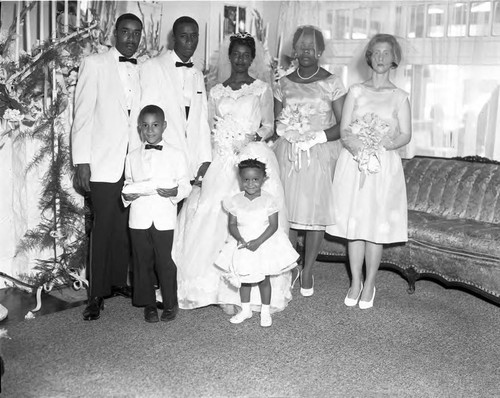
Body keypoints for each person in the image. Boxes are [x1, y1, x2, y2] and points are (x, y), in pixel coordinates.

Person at [173, 33, 292, 313]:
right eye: (236, 54)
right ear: (229, 56)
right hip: (222, 157)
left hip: (250, 156)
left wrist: (248, 138)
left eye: (245, 55)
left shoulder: (261, 89)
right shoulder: (215, 91)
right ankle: (216, 287)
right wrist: (222, 143)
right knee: (213, 216)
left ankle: (247, 288)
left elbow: (268, 125)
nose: (240, 59)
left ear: (252, 59)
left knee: (252, 217)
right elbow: (209, 127)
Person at [326, 34, 412, 309]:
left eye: (387, 53)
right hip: (354, 163)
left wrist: (381, 144)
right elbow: (345, 129)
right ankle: (355, 281)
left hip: (383, 166)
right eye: (376, 53)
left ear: (394, 59)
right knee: (355, 227)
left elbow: (406, 134)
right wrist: (359, 149)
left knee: (374, 226)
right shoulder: (356, 91)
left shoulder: (400, 97)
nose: (381, 58)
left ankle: (370, 283)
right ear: (369, 57)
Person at [71, 13, 143, 321]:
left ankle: (116, 282)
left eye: (135, 33)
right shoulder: (95, 64)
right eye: (125, 32)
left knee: (126, 228)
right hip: (102, 162)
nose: (130, 38)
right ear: (115, 34)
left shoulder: (144, 69)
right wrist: (81, 162)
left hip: (135, 162)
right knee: (101, 228)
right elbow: (82, 115)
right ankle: (96, 294)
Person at [274, 26, 345, 297]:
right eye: (301, 46)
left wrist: (317, 136)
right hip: (289, 153)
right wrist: (286, 132)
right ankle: (291, 265)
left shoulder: (332, 82)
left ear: (320, 51)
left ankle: (308, 269)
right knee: (287, 213)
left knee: (315, 215)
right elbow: (277, 122)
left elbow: (343, 124)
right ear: (295, 49)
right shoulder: (284, 82)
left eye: (311, 47)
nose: (305, 51)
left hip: (319, 152)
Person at [122, 105, 191, 323]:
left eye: (155, 125)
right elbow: (128, 183)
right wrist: (127, 196)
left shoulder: (177, 154)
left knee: (166, 261)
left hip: (164, 216)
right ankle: (149, 304)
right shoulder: (132, 156)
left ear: (164, 126)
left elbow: (185, 185)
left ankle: (170, 303)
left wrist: (175, 192)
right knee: (142, 261)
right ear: (139, 128)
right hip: (139, 216)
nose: (150, 130)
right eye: (145, 126)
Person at [215, 159, 298, 327]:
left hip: (264, 241)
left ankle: (265, 311)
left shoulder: (269, 200)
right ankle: (245, 309)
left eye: (255, 179)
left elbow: (274, 225)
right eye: (246, 180)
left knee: (263, 278)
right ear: (240, 179)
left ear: (263, 179)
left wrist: (258, 241)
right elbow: (232, 224)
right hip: (243, 241)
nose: (251, 183)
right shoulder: (235, 200)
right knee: (244, 277)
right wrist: (240, 238)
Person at [140, 16, 211, 184]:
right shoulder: (153, 66)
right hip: (161, 160)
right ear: (173, 39)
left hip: (191, 163)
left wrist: (205, 159)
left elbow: (202, 120)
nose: (189, 41)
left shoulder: (198, 74)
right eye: (183, 36)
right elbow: (146, 117)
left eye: (194, 36)